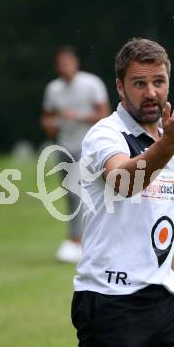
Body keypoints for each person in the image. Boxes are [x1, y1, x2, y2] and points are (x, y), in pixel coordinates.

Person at [71, 38, 174, 347]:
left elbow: (157, 214)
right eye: (139, 83)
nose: (151, 92)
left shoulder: (166, 137)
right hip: (111, 301)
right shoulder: (105, 134)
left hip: (163, 297)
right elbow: (123, 181)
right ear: (120, 87)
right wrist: (169, 144)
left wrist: (167, 270)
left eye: (158, 82)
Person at [41, 46, 111, 263]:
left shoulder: (91, 83)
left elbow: (104, 114)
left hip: (88, 146)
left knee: (81, 192)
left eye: (67, 63)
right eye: (60, 65)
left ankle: (80, 240)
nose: (64, 68)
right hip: (64, 146)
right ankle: (78, 240)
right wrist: (50, 125)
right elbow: (47, 118)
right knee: (70, 195)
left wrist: (77, 116)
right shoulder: (53, 89)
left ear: (75, 63)